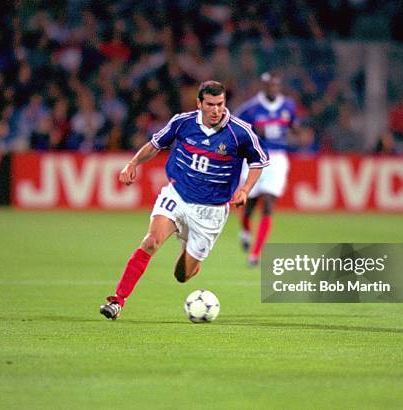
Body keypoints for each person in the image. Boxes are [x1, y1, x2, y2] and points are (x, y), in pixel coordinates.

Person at [100, 81, 269, 320]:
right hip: (177, 196)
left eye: (220, 104)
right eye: (210, 104)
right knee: (150, 242)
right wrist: (133, 163)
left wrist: (245, 189)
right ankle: (118, 300)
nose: (216, 110)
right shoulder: (183, 123)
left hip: (210, 212)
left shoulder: (240, 132)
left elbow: (258, 161)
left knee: (182, 276)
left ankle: (191, 255)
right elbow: (154, 145)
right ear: (199, 103)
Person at [235, 72, 298, 266]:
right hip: (255, 158)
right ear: (264, 86)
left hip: (278, 159)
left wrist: (295, 132)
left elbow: (294, 127)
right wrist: (254, 133)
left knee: (269, 203)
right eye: (271, 86)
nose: (274, 89)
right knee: (249, 207)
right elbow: (237, 132)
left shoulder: (288, 106)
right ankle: (245, 230)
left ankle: (255, 254)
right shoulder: (250, 109)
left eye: (277, 86)